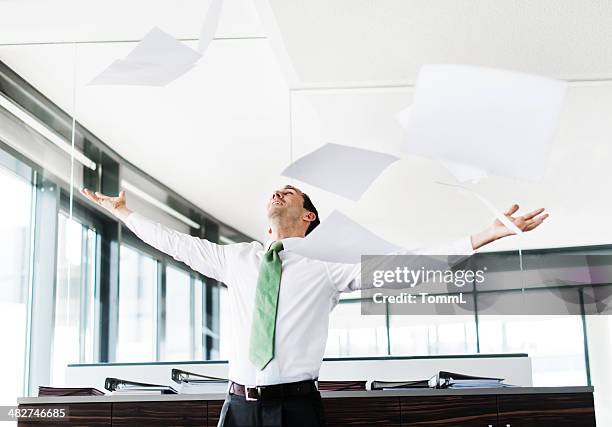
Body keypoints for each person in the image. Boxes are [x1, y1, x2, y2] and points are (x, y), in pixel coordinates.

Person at [80, 185, 548, 427]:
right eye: (275, 190)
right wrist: (124, 214)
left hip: (296, 409)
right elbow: (173, 243)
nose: (277, 192)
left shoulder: (326, 268)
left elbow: (410, 265)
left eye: (291, 192)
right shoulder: (236, 259)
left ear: (308, 216)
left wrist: (490, 233)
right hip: (237, 406)